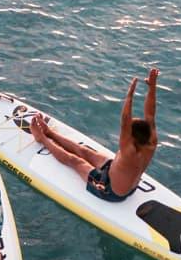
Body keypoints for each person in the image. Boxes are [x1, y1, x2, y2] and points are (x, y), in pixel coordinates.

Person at [30, 68, 159, 204]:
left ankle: (42, 138)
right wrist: (152, 86)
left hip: (110, 191)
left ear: (132, 138)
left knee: (75, 161)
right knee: (84, 151)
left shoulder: (128, 150)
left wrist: (130, 95)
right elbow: (150, 113)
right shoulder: (151, 142)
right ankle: (50, 133)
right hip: (123, 179)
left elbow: (125, 119)